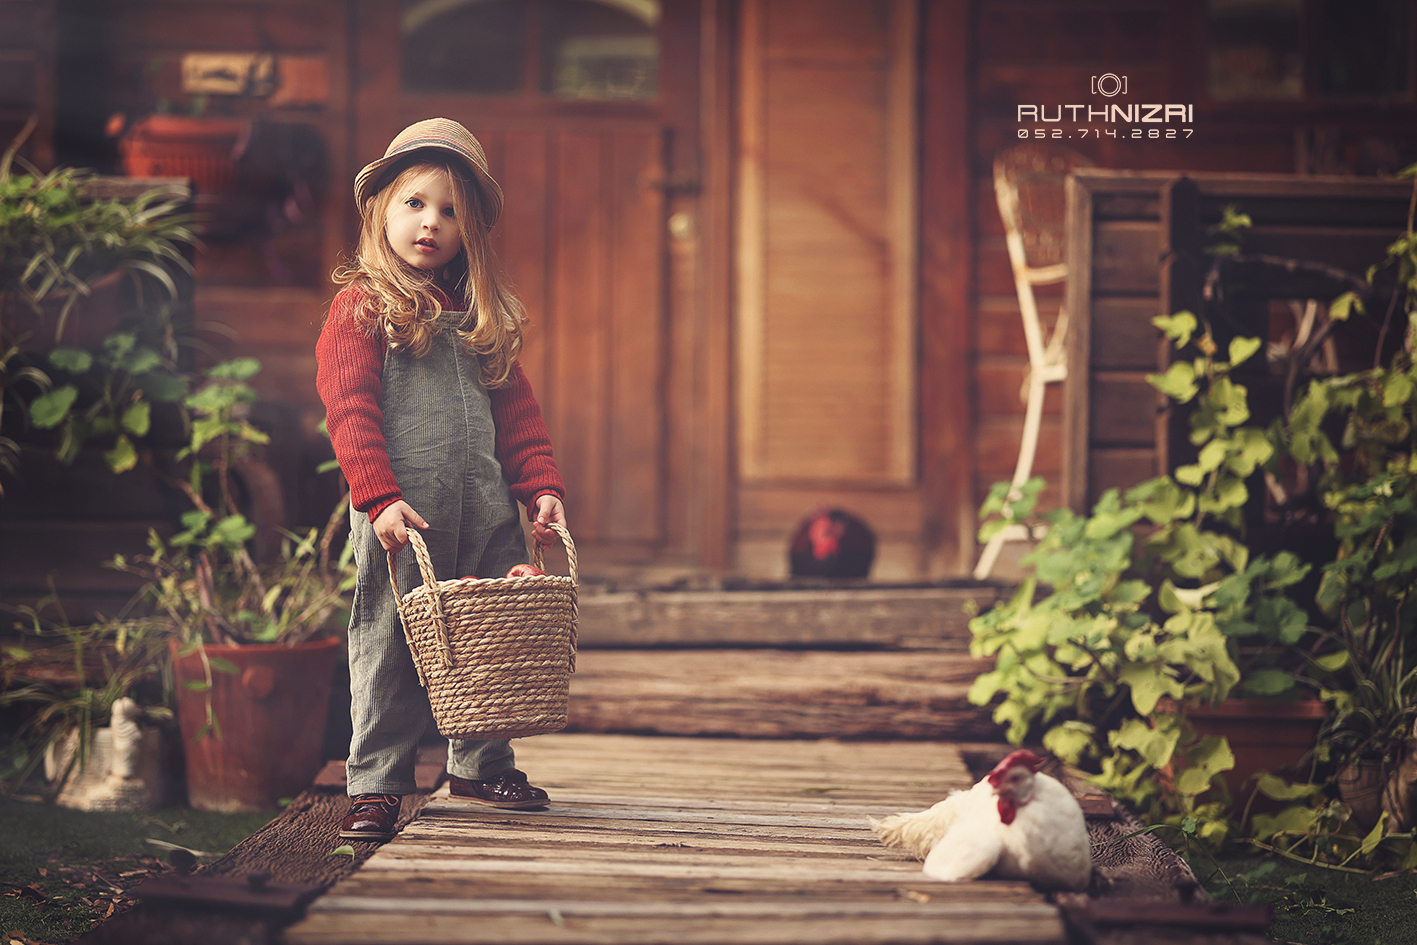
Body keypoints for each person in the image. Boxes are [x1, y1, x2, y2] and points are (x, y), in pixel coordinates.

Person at [317, 118, 568, 843]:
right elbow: (349, 409)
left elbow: (518, 416)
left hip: (487, 510)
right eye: (416, 203)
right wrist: (378, 497)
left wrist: (540, 486)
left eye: (450, 211)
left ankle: (481, 764)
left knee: (486, 642)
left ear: (470, 231)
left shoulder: (480, 317)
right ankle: (377, 781)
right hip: (403, 517)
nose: (431, 222)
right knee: (389, 642)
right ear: (381, 211)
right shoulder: (364, 307)